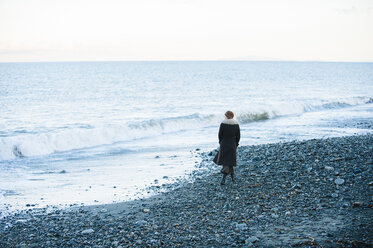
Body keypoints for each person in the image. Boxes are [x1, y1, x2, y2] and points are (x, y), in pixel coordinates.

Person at [213, 111, 240, 185]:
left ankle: (223, 179)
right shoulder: (236, 124)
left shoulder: (223, 123)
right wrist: (236, 143)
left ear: (226, 116)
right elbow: (238, 136)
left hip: (224, 143)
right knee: (230, 160)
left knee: (225, 160)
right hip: (232, 143)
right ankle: (232, 177)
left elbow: (220, 135)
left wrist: (220, 142)